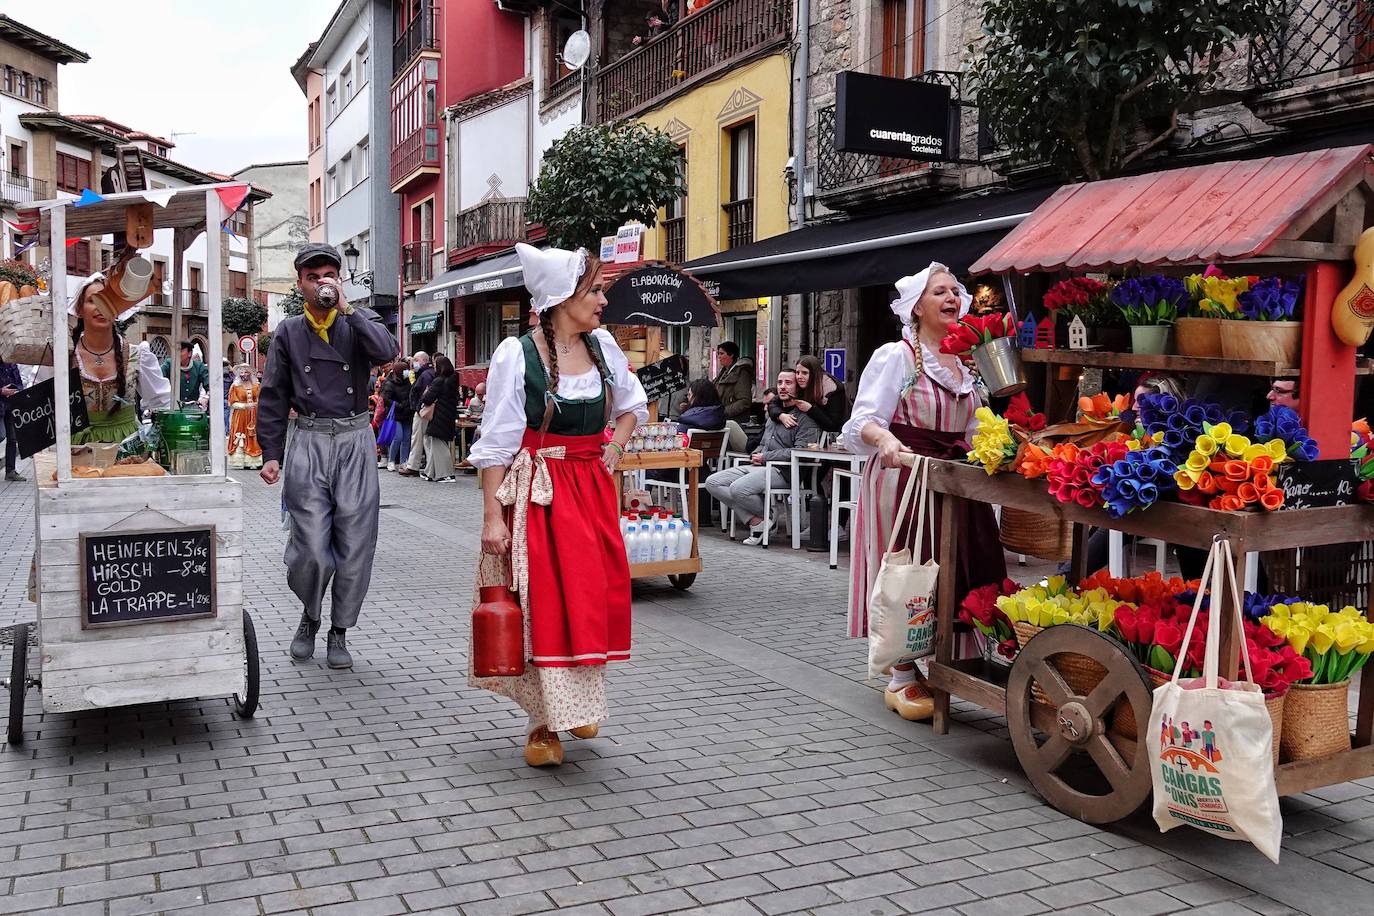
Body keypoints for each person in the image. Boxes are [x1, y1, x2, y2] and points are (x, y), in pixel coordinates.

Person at [469, 242, 648, 768]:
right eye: (594, 290)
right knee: (544, 604)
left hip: (589, 490)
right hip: (537, 494)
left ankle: (579, 704)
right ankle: (543, 721)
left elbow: (632, 406)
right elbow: (498, 442)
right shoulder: (516, 354)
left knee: (589, 599)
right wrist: (491, 518)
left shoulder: (603, 348)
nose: (601, 301)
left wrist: (613, 448)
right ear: (562, 297)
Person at [840, 262, 1006, 722]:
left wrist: (1000, 447)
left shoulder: (969, 362)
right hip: (903, 478)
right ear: (917, 307)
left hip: (952, 478)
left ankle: (938, 661)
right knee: (906, 570)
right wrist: (886, 440)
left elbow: (976, 427)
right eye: (940, 292)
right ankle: (901, 675)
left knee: (951, 568)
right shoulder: (898, 356)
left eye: (956, 291)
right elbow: (863, 421)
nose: (952, 297)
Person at [258, 243, 398, 670]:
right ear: (299, 282)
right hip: (309, 440)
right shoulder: (288, 331)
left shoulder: (360, 321)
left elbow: (387, 352)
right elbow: (274, 393)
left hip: (355, 440)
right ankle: (310, 614)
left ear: (340, 279)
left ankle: (339, 629)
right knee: (311, 547)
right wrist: (271, 452)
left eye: (329, 275)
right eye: (314, 276)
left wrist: (349, 309)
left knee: (355, 544)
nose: (322, 282)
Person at [705, 368, 822, 546]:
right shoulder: (774, 414)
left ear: (798, 388)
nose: (782, 387)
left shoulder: (806, 418)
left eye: (788, 383)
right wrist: (756, 453)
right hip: (760, 466)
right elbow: (764, 442)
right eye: (780, 383)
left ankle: (766, 518)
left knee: (737, 488)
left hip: (784, 471)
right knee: (712, 482)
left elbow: (800, 452)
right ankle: (759, 520)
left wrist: (765, 456)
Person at [62, 273, 170, 444]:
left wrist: (157, 439)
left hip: (127, 450)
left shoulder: (138, 356)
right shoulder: (63, 356)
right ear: (80, 310)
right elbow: (41, 408)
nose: (100, 306)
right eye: (92, 300)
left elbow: (162, 401)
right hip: (76, 451)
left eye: (106, 300)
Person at [770, 354, 848, 434]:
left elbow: (833, 425)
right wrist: (780, 415)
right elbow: (773, 402)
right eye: (797, 372)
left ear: (814, 374)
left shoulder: (833, 389)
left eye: (804, 373)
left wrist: (810, 409)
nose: (799, 376)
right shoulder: (801, 384)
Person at [419, 355, 458, 482]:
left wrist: (426, 393)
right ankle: (429, 473)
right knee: (437, 444)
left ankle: (446, 474)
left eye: (435, 365)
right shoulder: (453, 379)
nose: (434, 367)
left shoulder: (439, 381)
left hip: (438, 416)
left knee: (439, 445)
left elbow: (427, 399)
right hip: (448, 415)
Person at [398, 351, 432, 477]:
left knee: (418, 437)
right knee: (423, 438)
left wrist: (419, 406)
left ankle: (413, 466)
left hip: (422, 410)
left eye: (416, 360)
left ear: (423, 360)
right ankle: (421, 465)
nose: (413, 363)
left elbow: (424, 393)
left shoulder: (425, 374)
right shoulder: (423, 373)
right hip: (422, 409)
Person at [227, 363, 263, 470]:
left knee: (254, 434)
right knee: (241, 434)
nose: (244, 374)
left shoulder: (257, 385)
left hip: (255, 414)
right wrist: (245, 406)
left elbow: (261, 398)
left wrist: (257, 406)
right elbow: (231, 402)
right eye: (242, 372)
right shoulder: (235, 386)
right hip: (241, 415)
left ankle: (254, 461)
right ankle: (241, 460)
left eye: (246, 372)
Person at [381, 363, 414, 470]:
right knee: (398, 437)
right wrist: (399, 405)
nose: (408, 372)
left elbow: (411, 395)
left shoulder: (408, 382)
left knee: (406, 439)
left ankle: (404, 461)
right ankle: (391, 460)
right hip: (395, 414)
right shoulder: (389, 383)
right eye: (405, 370)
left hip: (407, 414)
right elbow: (386, 399)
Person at [161, 340, 209, 408]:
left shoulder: (199, 367)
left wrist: (206, 398)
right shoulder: (169, 364)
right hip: (173, 407)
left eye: (181, 351)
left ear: (189, 353)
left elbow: (209, 385)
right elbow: (159, 378)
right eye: (176, 351)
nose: (177, 354)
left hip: (193, 408)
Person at [713, 341, 755, 420]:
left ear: (731, 355)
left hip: (735, 421)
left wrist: (723, 411)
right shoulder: (723, 373)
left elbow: (744, 401)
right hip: (723, 418)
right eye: (718, 354)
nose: (719, 357)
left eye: (722, 354)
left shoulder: (742, 373)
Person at [0, 360, 24, 481]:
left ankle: (10, 471)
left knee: (12, 438)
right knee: (1, 435)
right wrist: (1, 391)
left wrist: (15, 390)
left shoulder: (12, 364)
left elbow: (19, 382)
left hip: (11, 405)